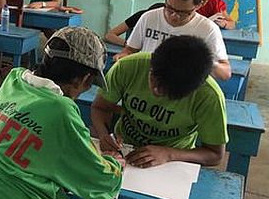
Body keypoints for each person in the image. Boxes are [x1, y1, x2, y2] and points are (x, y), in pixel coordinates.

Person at [0, 27, 123, 199]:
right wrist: (116, 161)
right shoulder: (61, 110)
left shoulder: (14, 80)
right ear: (84, 79)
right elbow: (101, 179)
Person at [91, 35, 228, 168]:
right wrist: (104, 135)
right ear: (151, 62)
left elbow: (215, 155)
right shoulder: (127, 67)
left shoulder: (209, 96)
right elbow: (100, 108)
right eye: (153, 79)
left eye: (167, 91)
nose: (156, 91)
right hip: (125, 147)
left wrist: (169, 154)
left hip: (174, 161)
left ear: (192, 89)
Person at [113, 0, 231, 80]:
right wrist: (122, 57)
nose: (174, 16)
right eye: (169, 8)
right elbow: (129, 50)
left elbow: (225, 73)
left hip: (182, 89)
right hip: (146, 82)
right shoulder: (149, 17)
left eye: (183, 12)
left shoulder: (208, 29)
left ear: (199, 5)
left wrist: (200, 60)